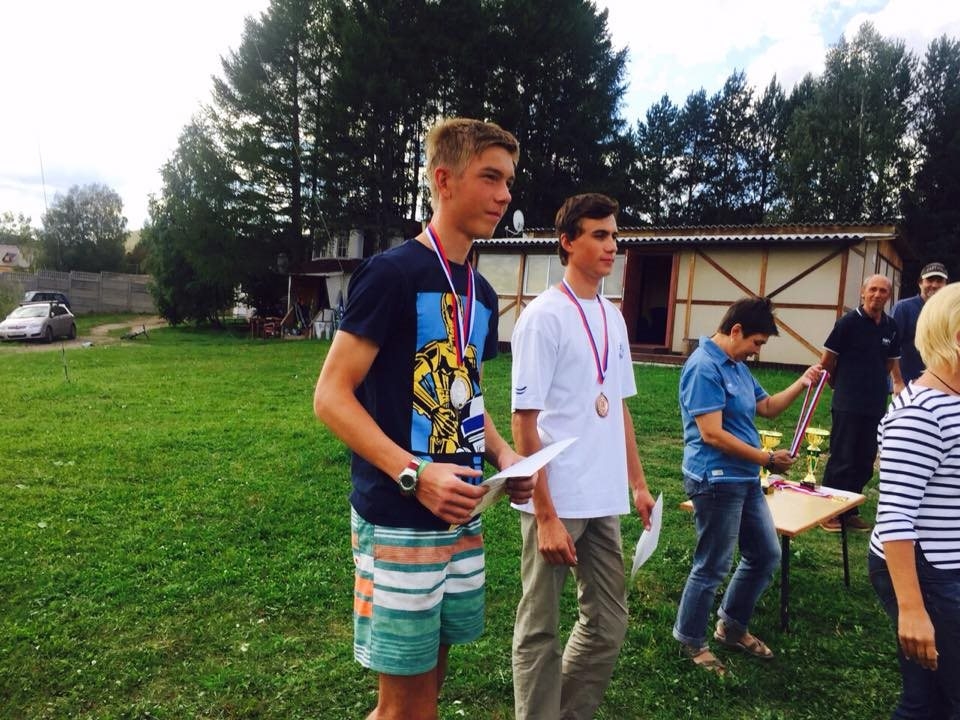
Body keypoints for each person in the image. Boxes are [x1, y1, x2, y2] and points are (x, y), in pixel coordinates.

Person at [313, 117, 535, 720]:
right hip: (401, 515)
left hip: (461, 511)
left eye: (508, 181)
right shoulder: (391, 274)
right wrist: (416, 474)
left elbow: (467, 398)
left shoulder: (481, 292)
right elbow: (330, 396)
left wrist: (505, 456)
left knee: (427, 688)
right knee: (405, 708)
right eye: (490, 177)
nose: (504, 195)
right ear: (444, 179)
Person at [510, 193, 656, 719]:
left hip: (602, 498)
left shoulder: (613, 318)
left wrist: (637, 484)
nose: (611, 245)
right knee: (540, 629)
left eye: (614, 235)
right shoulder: (543, 317)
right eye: (599, 235)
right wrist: (546, 516)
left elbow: (618, 407)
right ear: (568, 242)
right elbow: (523, 423)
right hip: (555, 499)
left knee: (608, 623)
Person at [673, 297, 822, 675]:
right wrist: (766, 459)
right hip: (715, 480)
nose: (756, 351)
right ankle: (690, 639)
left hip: (744, 477)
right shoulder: (704, 367)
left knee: (765, 554)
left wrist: (802, 382)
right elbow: (711, 434)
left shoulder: (736, 365)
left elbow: (767, 407)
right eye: (756, 342)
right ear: (736, 330)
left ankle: (732, 627)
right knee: (713, 564)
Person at [868, 281, 960, 719]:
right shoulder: (920, 413)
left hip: (946, 565)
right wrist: (912, 610)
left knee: (931, 700)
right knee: (933, 701)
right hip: (930, 571)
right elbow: (895, 516)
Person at [819, 274, 902, 532]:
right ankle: (828, 511)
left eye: (883, 291)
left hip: (875, 403)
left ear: (889, 296)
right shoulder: (847, 323)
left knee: (865, 460)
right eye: (873, 289)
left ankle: (849, 510)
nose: (877, 295)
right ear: (863, 293)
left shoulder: (891, 326)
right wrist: (839, 383)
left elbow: (889, 362)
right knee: (842, 457)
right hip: (848, 402)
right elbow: (827, 360)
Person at [890, 261, 949, 394]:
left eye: (939, 281)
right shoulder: (903, 308)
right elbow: (891, 346)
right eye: (930, 280)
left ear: (946, 285)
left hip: (940, 386)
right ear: (920, 283)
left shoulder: (949, 312)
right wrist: (897, 381)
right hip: (908, 384)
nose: (934, 285)